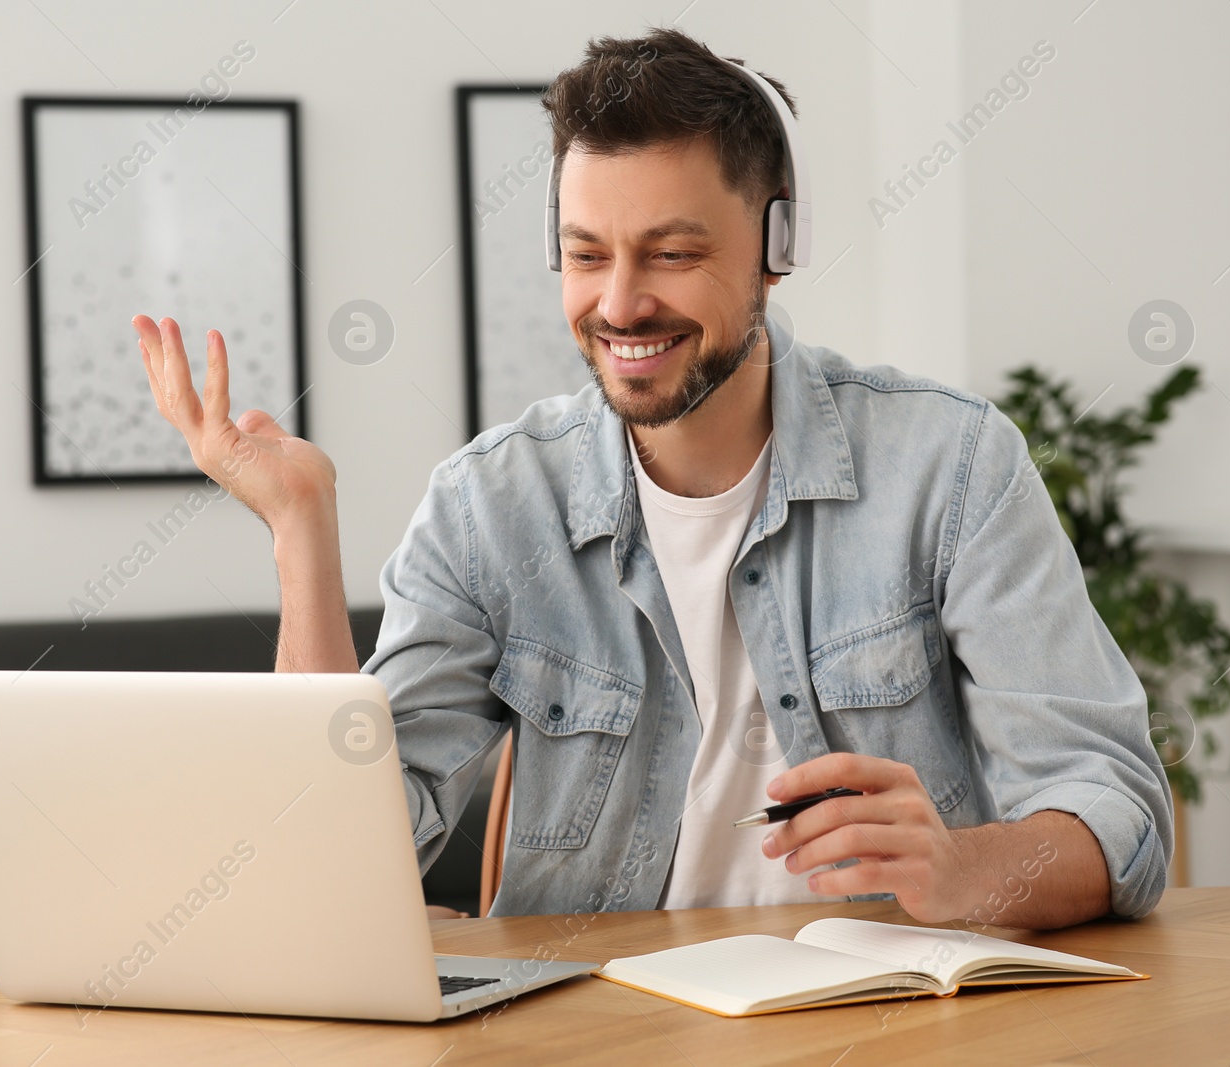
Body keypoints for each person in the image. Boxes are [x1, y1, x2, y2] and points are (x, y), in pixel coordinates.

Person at [131, 27, 1171, 929]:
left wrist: (961, 867)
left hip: (886, 1022)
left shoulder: (951, 468)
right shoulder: (492, 507)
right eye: (586, 256)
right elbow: (333, 850)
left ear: (777, 246)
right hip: (600, 1030)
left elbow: (1117, 810)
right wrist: (300, 530)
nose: (619, 304)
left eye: (670, 253)